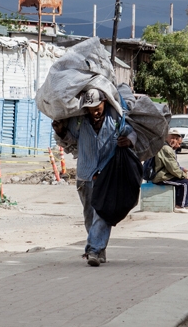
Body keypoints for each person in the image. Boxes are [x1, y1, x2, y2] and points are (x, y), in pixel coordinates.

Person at [52, 88, 135, 267]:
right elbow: (71, 140)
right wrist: (60, 132)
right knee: (90, 215)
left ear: (104, 102)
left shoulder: (115, 120)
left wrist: (128, 140)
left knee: (102, 213)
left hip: (107, 176)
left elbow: (131, 132)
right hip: (85, 175)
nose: (94, 112)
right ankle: (99, 249)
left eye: (97, 107)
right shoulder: (79, 122)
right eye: (90, 108)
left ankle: (93, 250)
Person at [152, 129, 188, 213]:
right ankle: (179, 206)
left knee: (184, 180)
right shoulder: (166, 148)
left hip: (164, 174)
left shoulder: (168, 148)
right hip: (160, 177)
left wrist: (182, 171)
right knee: (185, 182)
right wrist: (184, 175)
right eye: (172, 138)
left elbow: (172, 166)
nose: (174, 140)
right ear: (166, 137)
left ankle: (187, 203)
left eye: (175, 139)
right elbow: (173, 168)